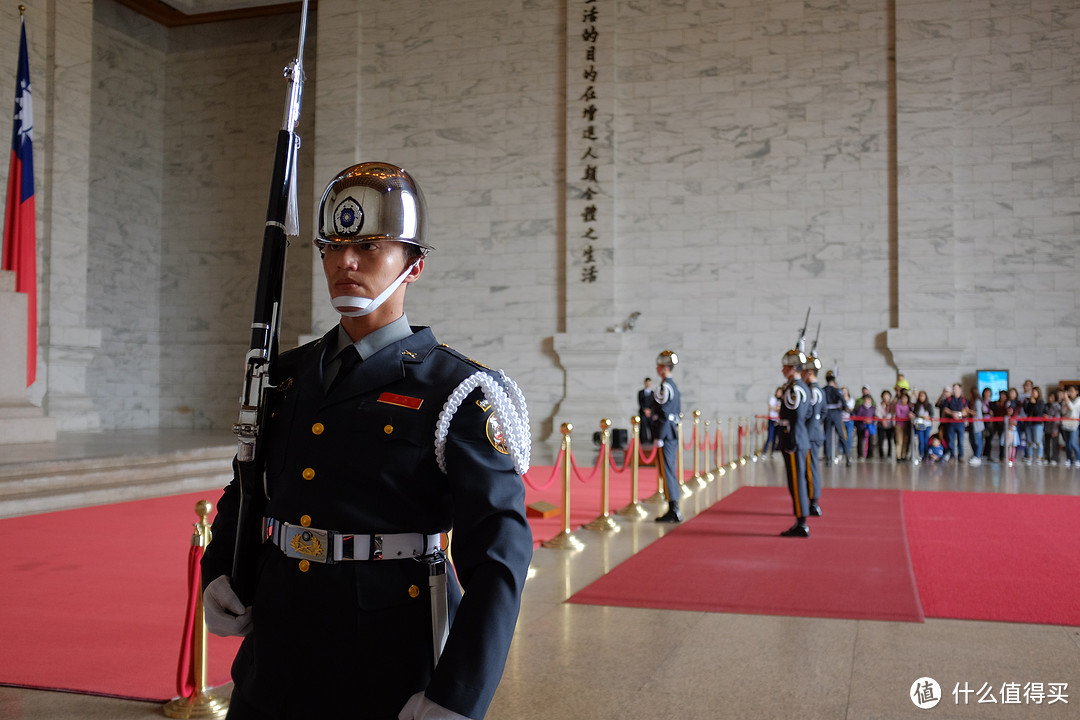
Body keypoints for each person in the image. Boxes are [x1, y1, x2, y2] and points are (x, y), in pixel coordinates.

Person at [200, 163, 533, 720]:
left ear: (415, 265)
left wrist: (459, 695)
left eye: (371, 247)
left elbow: (500, 557)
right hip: (276, 654)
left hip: (386, 655)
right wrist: (217, 568)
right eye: (333, 246)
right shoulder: (284, 377)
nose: (345, 263)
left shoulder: (460, 391)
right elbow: (248, 487)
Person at [777, 345, 812, 537]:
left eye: (785, 367)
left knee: (796, 481)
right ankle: (800, 519)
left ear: (793, 368)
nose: (782, 370)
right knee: (795, 481)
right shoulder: (798, 387)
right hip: (797, 438)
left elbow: (796, 416)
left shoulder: (795, 389)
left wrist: (790, 440)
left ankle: (802, 522)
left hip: (794, 440)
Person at [652, 350, 683, 522]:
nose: (657, 369)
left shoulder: (665, 387)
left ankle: (674, 509)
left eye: (659, 366)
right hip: (671, 430)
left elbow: (664, 414)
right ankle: (673, 507)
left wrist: (659, 437)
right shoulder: (672, 386)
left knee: (668, 470)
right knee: (668, 469)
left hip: (667, 432)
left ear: (664, 368)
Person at [802, 357, 824, 517]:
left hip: (809, 435)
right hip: (815, 432)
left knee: (810, 469)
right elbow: (823, 413)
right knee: (812, 467)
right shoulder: (820, 390)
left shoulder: (811, 391)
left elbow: (808, 414)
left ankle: (813, 501)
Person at [822, 372, 850, 466]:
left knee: (827, 437)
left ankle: (828, 460)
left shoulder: (823, 390)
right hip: (836, 414)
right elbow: (843, 402)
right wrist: (841, 409)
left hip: (827, 414)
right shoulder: (836, 390)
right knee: (842, 436)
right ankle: (848, 458)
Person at [941, 383, 967, 461]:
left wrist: (959, 414)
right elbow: (945, 409)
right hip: (951, 423)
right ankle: (952, 456)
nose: (955, 390)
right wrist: (952, 413)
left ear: (960, 389)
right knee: (951, 441)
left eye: (956, 388)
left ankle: (960, 456)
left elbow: (966, 410)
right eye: (954, 389)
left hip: (960, 423)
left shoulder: (963, 400)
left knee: (960, 441)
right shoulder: (949, 399)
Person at [1023, 386, 1045, 465]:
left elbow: (1038, 412)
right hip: (1029, 424)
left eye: (1035, 392)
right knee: (1029, 441)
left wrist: (1034, 403)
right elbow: (1026, 411)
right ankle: (1030, 457)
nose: (1033, 393)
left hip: (1037, 424)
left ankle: (1039, 457)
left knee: (1038, 441)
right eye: (1032, 392)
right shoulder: (1029, 401)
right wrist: (1026, 403)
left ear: (1038, 393)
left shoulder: (1041, 402)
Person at [911, 390, 934, 462]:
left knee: (926, 440)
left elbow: (931, 415)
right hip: (920, 424)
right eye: (920, 396)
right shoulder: (916, 405)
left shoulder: (929, 405)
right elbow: (915, 414)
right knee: (921, 440)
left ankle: (926, 454)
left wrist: (927, 417)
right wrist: (922, 416)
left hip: (927, 424)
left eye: (923, 396)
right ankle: (921, 454)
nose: (921, 397)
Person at [1061, 385, 1080, 468]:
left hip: (1074, 424)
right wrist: (1065, 404)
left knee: (1073, 442)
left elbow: (1072, 409)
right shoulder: (1066, 400)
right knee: (1067, 443)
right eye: (1069, 391)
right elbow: (1063, 411)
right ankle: (1069, 459)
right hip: (1065, 423)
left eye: (1072, 391)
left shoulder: (1078, 400)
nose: (1070, 392)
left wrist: (1067, 400)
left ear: (1076, 392)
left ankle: (1078, 459)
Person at [1045, 389, 1062, 465]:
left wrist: (1055, 430)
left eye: (1052, 397)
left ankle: (1055, 458)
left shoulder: (1056, 406)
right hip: (1047, 427)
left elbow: (1057, 418)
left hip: (1054, 427)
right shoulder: (1047, 405)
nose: (1050, 398)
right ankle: (1047, 457)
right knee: (1047, 443)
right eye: (1049, 397)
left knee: (1054, 444)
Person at [877, 390, 895, 459]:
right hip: (881, 425)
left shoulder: (892, 405)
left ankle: (889, 454)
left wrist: (887, 419)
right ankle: (881, 454)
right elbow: (878, 414)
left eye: (887, 395)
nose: (886, 397)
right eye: (885, 395)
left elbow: (892, 414)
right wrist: (882, 420)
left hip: (890, 425)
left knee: (889, 440)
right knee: (880, 440)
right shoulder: (879, 405)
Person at [894, 390, 910, 461]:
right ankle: (898, 456)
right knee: (899, 441)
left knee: (905, 441)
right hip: (899, 425)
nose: (904, 400)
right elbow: (898, 415)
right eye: (903, 398)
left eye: (905, 398)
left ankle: (904, 455)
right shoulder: (898, 406)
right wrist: (908, 415)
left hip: (907, 426)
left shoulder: (909, 406)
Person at [637, 377, 654, 445]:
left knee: (651, 426)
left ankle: (652, 440)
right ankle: (643, 440)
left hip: (650, 413)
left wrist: (650, 410)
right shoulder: (641, 392)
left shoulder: (653, 393)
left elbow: (654, 403)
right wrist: (645, 410)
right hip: (643, 412)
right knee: (643, 426)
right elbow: (640, 402)